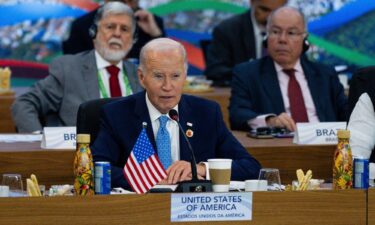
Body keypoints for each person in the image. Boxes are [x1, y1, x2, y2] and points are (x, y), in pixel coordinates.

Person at [92, 38, 261, 190]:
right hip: (139, 209)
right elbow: (96, 168)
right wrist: (150, 179)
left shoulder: (207, 113)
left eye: (175, 76)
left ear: (185, 76)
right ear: (142, 77)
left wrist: (200, 169)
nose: (168, 86)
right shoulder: (117, 114)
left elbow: (251, 167)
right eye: (158, 76)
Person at [12, 2, 143, 133]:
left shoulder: (141, 75)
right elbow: (24, 104)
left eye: (124, 29)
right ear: (94, 33)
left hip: (133, 152)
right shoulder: (68, 69)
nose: (117, 34)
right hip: (82, 151)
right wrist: (39, 142)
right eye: (110, 27)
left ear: (133, 39)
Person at [229, 6, 348, 131]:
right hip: (279, 147)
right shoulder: (247, 74)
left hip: (325, 146)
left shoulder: (325, 74)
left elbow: (347, 114)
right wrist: (270, 121)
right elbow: (237, 115)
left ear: (304, 39)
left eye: (291, 33)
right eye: (275, 32)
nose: (282, 39)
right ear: (266, 37)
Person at [205, 0, 287, 86]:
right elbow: (215, 71)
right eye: (264, 9)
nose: (270, 17)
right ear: (252, 2)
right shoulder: (228, 30)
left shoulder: (292, 31)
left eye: (276, 11)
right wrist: (252, 75)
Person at [62, 0, 165, 59]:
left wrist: (156, 35)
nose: (127, 7)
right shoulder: (82, 25)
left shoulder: (151, 21)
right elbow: (72, 68)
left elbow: (165, 63)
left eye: (131, 2)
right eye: (122, 1)